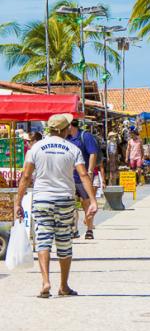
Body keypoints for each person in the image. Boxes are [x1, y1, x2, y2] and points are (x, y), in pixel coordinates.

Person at [15, 113, 97, 298]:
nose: (70, 128)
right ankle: (64, 286)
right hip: (65, 200)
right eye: (68, 126)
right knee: (64, 243)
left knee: (43, 240)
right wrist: (92, 200)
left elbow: (26, 177)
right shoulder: (72, 148)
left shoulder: (35, 148)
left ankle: (45, 282)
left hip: (42, 199)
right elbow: (83, 175)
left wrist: (17, 202)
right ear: (63, 129)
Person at [68, 119, 99, 240]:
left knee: (86, 202)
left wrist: (90, 171)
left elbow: (93, 153)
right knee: (70, 204)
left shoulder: (85, 136)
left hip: (82, 176)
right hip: (69, 176)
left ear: (71, 125)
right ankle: (73, 229)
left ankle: (89, 229)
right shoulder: (66, 137)